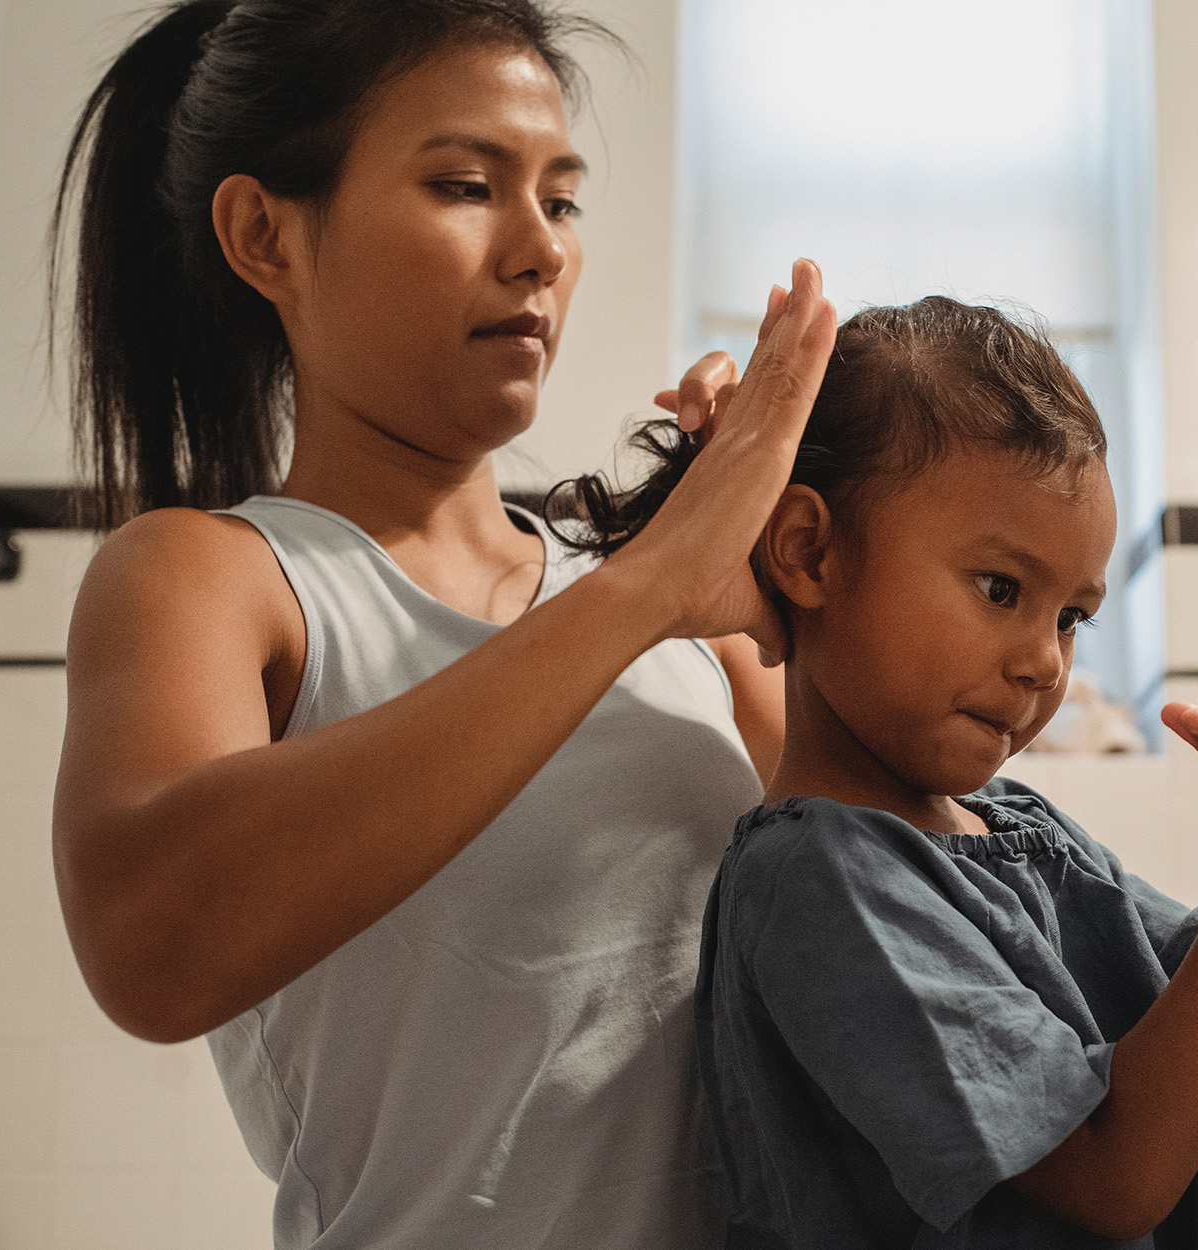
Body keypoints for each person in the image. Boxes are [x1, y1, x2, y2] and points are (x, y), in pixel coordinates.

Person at [47, 1, 838, 1246]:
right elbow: (151, 945)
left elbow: (900, 929)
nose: (539, 251)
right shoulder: (217, 576)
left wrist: (823, 564)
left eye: (563, 200)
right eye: (467, 185)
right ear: (266, 234)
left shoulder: (680, 593)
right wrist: (649, 586)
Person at [562, 297, 1198, 1247]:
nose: (1045, 661)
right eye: (1001, 590)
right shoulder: (821, 879)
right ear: (809, 550)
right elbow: (1116, 1176)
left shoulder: (1016, 826)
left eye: (1072, 616)